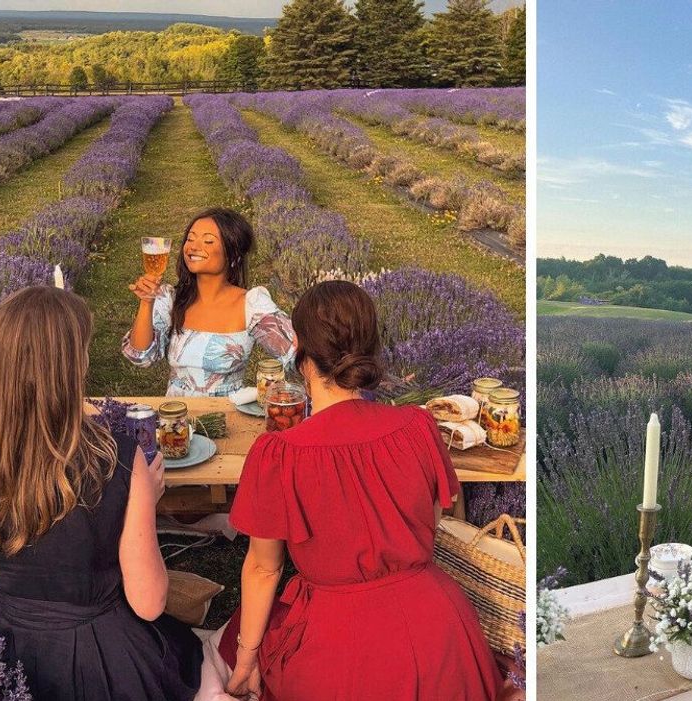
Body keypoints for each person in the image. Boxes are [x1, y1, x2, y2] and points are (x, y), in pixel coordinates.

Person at [214, 281, 501, 701]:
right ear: (371, 348)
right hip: (441, 631)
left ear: (301, 351)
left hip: (341, 645)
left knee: (240, 634)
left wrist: (246, 658)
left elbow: (263, 569)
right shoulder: (418, 427)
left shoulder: (280, 453)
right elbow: (432, 523)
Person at [0, 286, 202, 701]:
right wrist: (145, 497)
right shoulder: (114, 458)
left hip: (8, 651)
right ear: (69, 367)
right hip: (107, 656)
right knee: (197, 662)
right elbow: (149, 603)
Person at [124, 207, 295, 397]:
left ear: (233, 254)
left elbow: (297, 355)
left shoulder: (252, 304)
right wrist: (146, 302)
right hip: (176, 420)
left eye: (208, 241)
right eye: (190, 239)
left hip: (226, 418)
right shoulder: (170, 299)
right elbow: (141, 356)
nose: (193, 247)